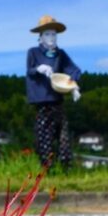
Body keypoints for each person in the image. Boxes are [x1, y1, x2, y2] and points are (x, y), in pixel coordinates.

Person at [25, 15, 82, 171]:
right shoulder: (33, 53)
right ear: (41, 37)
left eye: (53, 34)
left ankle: (65, 168)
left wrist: (74, 85)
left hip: (57, 101)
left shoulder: (60, 54)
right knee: (44, 136)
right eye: (47, 34)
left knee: (63, 135)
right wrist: (39, 68)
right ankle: (46, 169)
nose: (51, 37)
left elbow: (74, 70)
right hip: (42, 103)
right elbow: (30, 71)